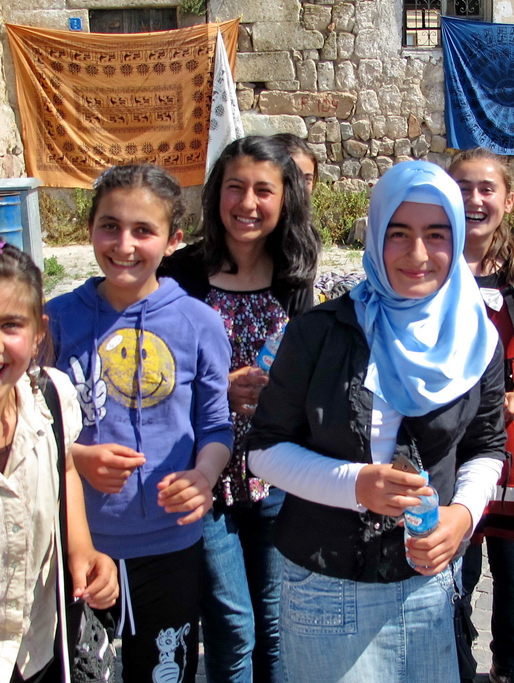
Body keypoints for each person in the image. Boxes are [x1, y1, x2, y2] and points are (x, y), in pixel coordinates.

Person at [244, 160, 507, 682]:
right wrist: (356, 485)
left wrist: (461, 518)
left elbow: (487, 446)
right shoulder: (319, 333)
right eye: (398, 234)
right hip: (327, 591)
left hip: (429, 587)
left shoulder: (477, 339)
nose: (417, 256)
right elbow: (265, 449)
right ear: (374, 234)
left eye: (436, 235)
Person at [46, 165, 233, 683]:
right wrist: (78, 458)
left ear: (173, 241)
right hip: (83, 544)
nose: (124, 244)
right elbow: (32, 426)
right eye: (110, 225)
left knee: (164, 672)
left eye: (143, 231)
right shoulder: (56, 320)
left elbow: (216, 425)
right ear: (89, 230)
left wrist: (205, 476)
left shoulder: (199, 322)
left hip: (170, 546)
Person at [159, 135, 320, 683]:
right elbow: (155, 376)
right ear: (216, 194)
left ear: (285, 199)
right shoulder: (181, 274)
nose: (247, 204)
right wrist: (216, 388)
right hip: (203, 473)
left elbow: (306, 373)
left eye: (262, 191)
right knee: (232, 627)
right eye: (235, 188)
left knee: (274, 625)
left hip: (274, 475)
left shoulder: (296, 276)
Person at [0, 239, 118, 683]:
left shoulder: (49, 397)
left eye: (10, 325)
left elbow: (63, 465)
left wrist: (82, 550)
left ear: (37, 335)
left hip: (41, 651)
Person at [448, 148, 514, 683]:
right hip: (450, 440)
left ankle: (509, 667)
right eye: (463, 187)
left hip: (512, 439)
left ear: (508, 199)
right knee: (456, 571)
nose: (474, 199)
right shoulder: (430, 262)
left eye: (486, 188)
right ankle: (459, 662)